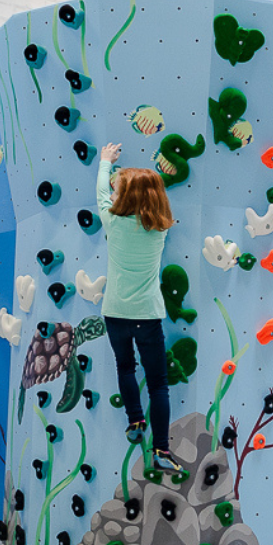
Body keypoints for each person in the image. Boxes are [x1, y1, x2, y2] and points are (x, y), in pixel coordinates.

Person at [96, 143, 181, 474]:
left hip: (115, 312)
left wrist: (106, 163)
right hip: (147, 315)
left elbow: (103, 193)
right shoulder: (160, 228)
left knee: (125, 367)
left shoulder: (112, 224)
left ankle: (135, 419)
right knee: (158, 384)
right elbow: (146, 196)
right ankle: (162, 449)